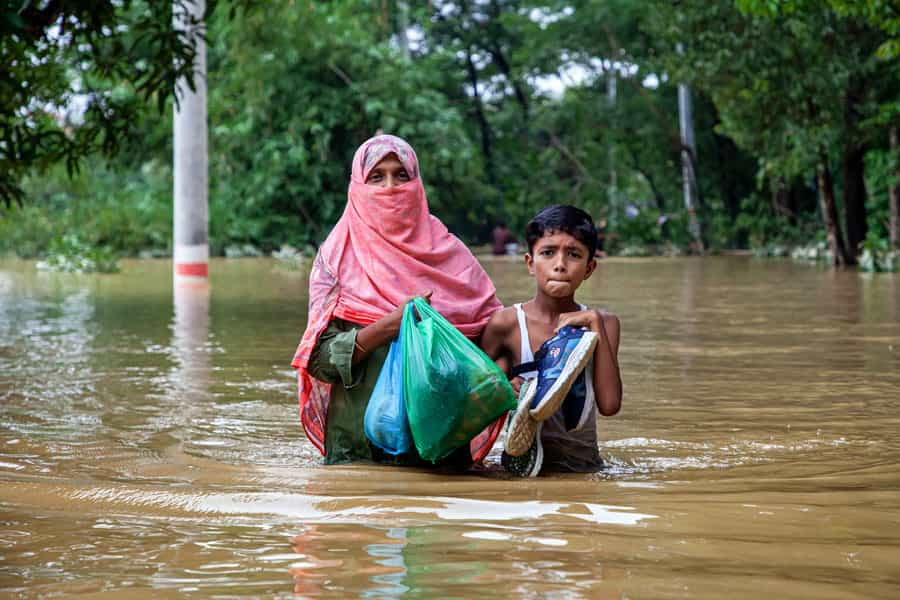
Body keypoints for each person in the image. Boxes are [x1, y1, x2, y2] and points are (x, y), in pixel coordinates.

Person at [291, 134, 504, 466]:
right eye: (377, 176)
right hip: (358, 452)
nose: (390, 187)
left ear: (417, 184)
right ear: (358, 187)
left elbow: (495, 346)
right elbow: (319, 362)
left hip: (440, 454)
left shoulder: (455, 260)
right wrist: (388, 327)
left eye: (400, 175)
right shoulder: (336, 261)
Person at [480, 205, 622, 476]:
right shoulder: (507, 324)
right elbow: (474, 398)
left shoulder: (605, 322)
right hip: (522, 468)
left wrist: (593, 323)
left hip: (584, 466)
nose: (560, 264)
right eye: (548, 253)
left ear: (589, 267)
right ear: (530, 263)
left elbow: (610, 404)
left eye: (574, 254)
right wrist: (502, 390)